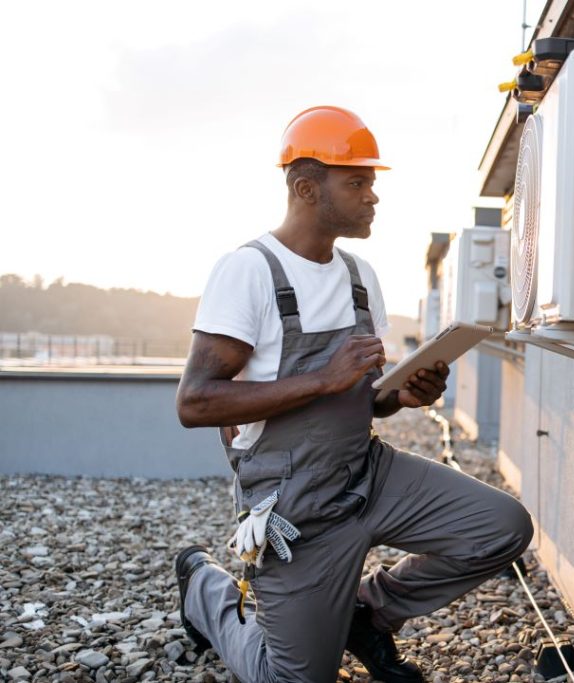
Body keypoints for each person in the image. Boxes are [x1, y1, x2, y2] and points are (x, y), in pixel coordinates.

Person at [173, 105, 533, 683]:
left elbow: (368, 401)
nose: (373, 197)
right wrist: (322, 378)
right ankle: (204, 589)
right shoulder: (249, 272)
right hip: (295, 508)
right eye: (358, 182)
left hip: (368, 475)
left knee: (501, 527)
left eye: (372, 183)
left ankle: (367, 613)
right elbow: (195, 403)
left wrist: (404, 395)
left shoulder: (360, 276)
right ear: (305, 187)